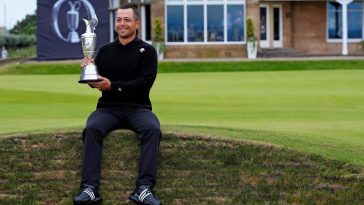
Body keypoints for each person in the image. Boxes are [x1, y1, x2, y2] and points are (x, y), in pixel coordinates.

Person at [73, 4, 162, 205]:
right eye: (119, 20)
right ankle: (89, 189)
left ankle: (144, 188)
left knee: (152, 129)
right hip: (108, 108)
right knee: (92, 128)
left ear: (137, 23)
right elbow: (97, 83)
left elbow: (143, 84)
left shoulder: (147, 51)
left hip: (138, 108)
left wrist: (111, 85)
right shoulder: (104, 51)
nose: (122, 23)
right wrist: (90, 74)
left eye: (127, 20)